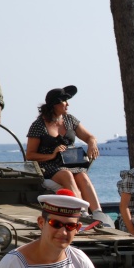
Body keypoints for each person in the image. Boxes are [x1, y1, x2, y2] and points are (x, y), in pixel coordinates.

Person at [26, 85, 102, 214]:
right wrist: (51, 155)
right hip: (49, 165)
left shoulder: (69, 120)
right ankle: (82, 212)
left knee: (83, 176)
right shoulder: (38, 125)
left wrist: (92, 144)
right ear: (54, 104)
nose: (68, 104)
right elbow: (30, 155)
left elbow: (90, 137)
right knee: (66, 174)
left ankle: (98, 213)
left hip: (70, 163)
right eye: (64, 101)